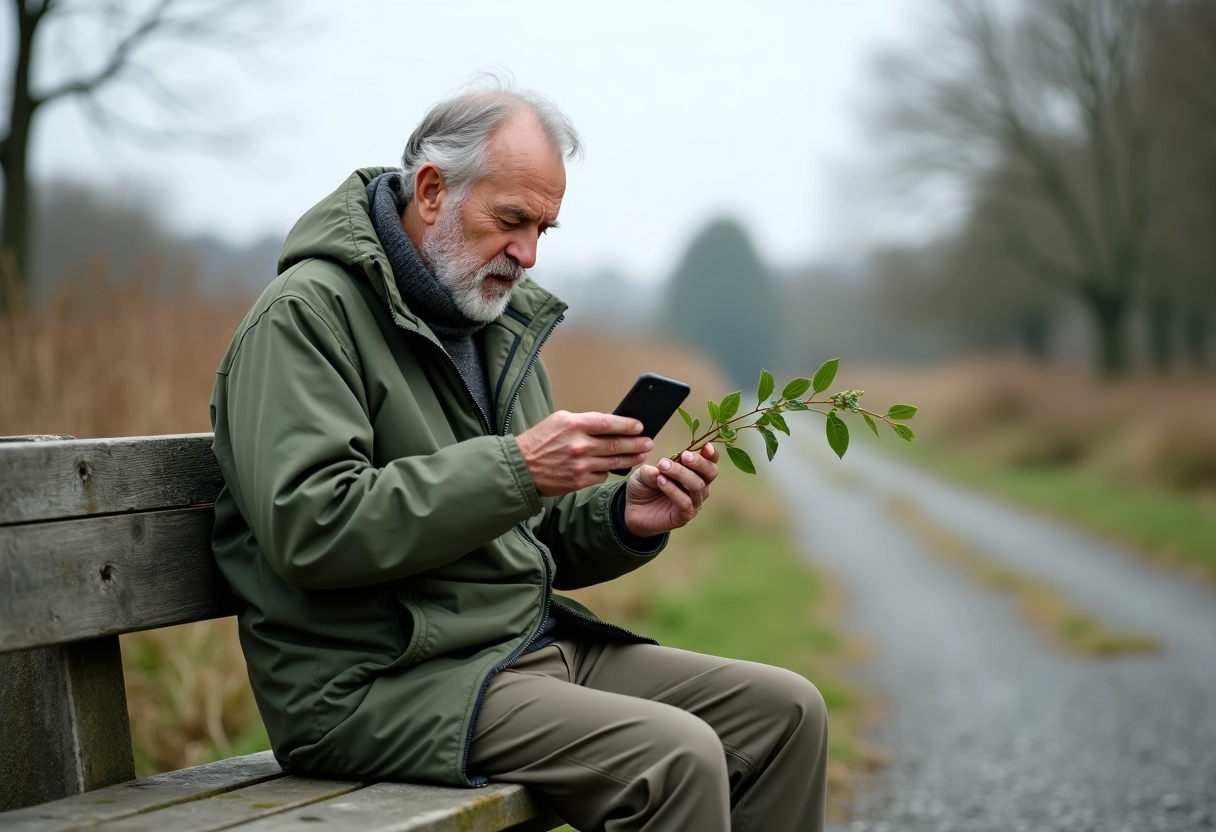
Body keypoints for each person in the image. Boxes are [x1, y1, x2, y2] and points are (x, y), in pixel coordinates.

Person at [209, 77, 828, 832]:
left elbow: (531, 535)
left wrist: (625, 517)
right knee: (677, 756)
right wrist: (518, 469)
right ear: (432, 189)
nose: (528, 254)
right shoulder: (305, 316)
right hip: (377, 683)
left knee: (788, 713)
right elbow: (312, 528)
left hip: (518, 650)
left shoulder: (492, 320)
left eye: (545, 228)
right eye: (512, 220)